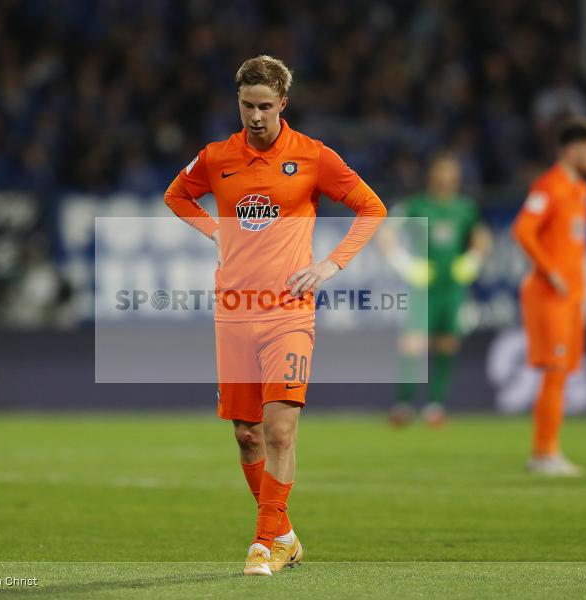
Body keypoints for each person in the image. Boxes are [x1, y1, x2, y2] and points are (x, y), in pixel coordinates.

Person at [164, 55, 386, 575]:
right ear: (237, 103)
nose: (256, 116)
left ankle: (264, 543)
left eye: (265, 106)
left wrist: (331, 263)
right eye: (247, 105)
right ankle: (284, 533)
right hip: (236, 312)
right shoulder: (217, 158)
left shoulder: (312, 157)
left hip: (289, 312)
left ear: (283, 104)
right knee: (247, 434)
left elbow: (371, 206)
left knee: (280, 430)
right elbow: (178, 196)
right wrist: (216, 231)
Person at [512, 117, 586, 476]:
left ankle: (549, 450)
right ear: (573, 149)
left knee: (562, 372)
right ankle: (543, 453)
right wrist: (550, 271)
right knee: (554, 370)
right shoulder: (549, 186)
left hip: (572, 295)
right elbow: (522, 230)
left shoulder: (581, 189)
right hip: (548, 293)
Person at [379, 152, 491, 427]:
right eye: (441, 172)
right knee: (413, 344)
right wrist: (404, 265)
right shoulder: (417, 205)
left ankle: (435, 406)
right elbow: (385, 233)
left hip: (452, 287)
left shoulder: (465, 208)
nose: (446, 179)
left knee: (447, 343)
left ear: (457, 178)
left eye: (451, 174)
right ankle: (403, 405)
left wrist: (472, 261)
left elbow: (482, 237)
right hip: (423, 286)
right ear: (432, 176)